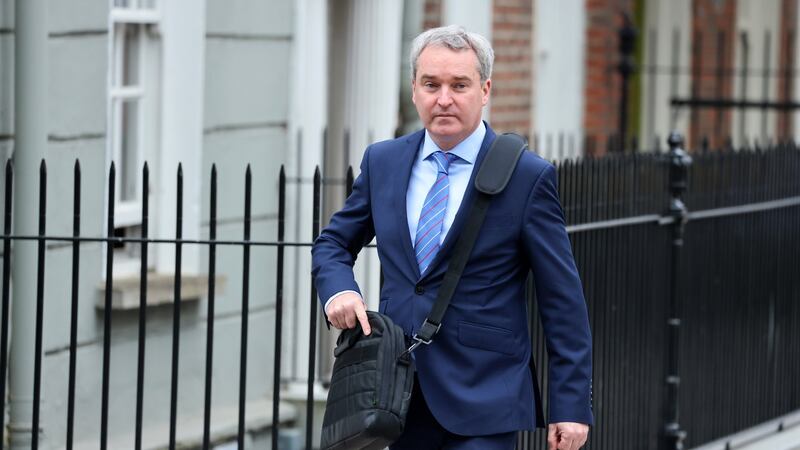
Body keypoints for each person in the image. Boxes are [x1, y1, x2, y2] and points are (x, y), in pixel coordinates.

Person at [312, 25, 592, 450]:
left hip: (485, 395)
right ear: (414, 90)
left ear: (485, 89)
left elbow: (562, 301)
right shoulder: (383, 162)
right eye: (431, 84)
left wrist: (570, 406)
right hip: (395, 396)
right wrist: (339, 292)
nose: (444, 98)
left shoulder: (527, 177)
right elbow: (333, 243)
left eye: (459, 85)